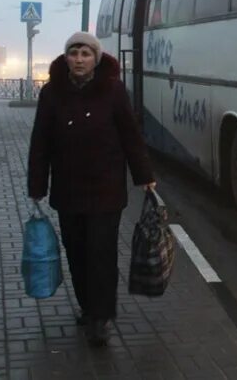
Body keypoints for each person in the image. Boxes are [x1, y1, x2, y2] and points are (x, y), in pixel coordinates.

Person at [27, 31, 155, 347]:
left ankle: (101, 317)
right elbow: (40, 142)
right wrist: (37, 185)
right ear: (66, 58)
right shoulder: (52, 93)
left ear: (95, 58)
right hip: (68, 191)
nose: (79, 60)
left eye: (85, 54)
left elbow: (130, 136)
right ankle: (88, 307)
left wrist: (144, 175)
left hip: (106, 190)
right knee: (77, 253)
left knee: (101, 254)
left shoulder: (112, 91)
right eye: (74, 53)